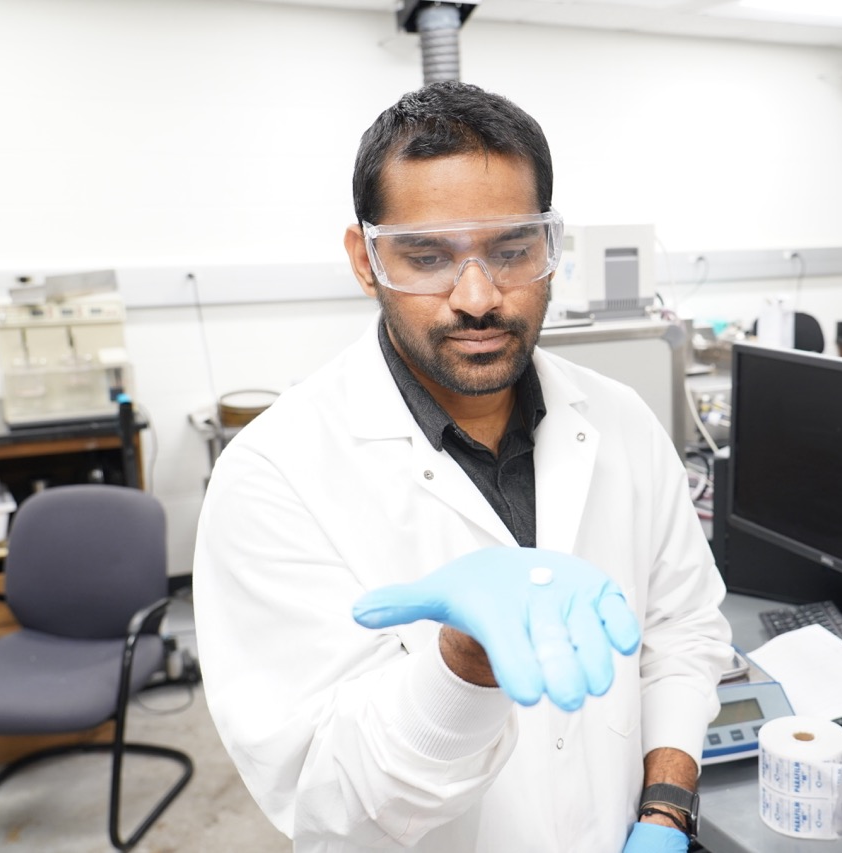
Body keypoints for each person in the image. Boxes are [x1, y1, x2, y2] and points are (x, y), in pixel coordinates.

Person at [193, 80, 732, 852]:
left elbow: (684, 634)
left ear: (551, 246)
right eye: (427, 256)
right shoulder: (271, 476)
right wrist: (461, 665)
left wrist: (667, 808)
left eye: (512, 250)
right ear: (365, 258)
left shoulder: (622, 423)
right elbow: (325, 795)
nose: (478, 297)